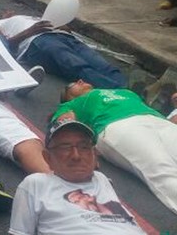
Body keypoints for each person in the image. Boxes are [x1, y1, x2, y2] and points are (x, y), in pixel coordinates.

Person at [55, 80, 177, 213]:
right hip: (117, 124)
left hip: (158, 120)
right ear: (68, 96)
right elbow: (65, 124)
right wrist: (83, 151)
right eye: (72, 85)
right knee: (161, 167)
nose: (80, 80)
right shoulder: (73, 103)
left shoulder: (126, 93)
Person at [10, 117, 142, 234]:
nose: (76, 156)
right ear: (47, 158)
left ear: (95, 155)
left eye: (84, 147)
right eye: (65, 147)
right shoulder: (36, 184)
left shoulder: (101, 179)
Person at [0, 15, 124, 90]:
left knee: (101, 64)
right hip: (36, 41)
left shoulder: (31, 16)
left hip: (65, 37)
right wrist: (30, 31)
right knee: (77, 65)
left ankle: (129, 93)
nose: (8, 12)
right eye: (4, 12)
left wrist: (65, 28)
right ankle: (120, 92)